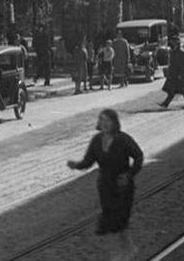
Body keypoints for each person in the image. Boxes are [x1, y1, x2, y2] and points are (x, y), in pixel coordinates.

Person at [67, 109, 143, 261]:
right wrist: (76, 165)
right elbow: (88, 161)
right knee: (110, 220)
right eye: (102, 120)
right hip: (105, 186)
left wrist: (129, 175)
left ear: (115, 123)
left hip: (122, 186)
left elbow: (138, 156)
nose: (105, 124)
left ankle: (125, 251)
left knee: (120, 219)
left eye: (108, 120)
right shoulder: (96, 141)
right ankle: (127, 250)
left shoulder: (123, 140)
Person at [158, 35, 184, 109]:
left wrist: (181, 74)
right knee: (172, 90)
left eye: (174, 42)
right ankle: (165, 103)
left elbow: (182, 64)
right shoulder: (172, 51)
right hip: (174, 73)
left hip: (181, 73)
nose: (172, 43)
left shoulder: (181, 52)